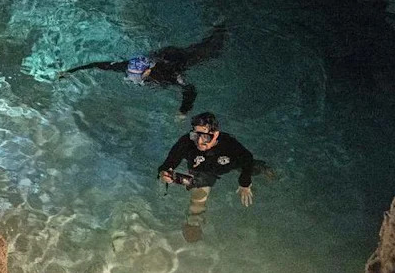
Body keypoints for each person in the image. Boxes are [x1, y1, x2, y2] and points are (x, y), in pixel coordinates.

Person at [57, 24, 226, 115]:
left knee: (211, 51)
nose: (130, 77)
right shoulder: (127, 66)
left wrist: (183, 111)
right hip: (158, 57)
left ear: (147, 72)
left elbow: (190, 90)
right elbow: (99, 64)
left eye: (134, 76)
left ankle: (221, 29)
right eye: (129, 74)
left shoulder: (169, 75)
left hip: (177, 59)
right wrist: (72, 72)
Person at [157, 111, 254, 243]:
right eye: (195, 135)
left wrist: (244, 183)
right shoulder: (186, 142)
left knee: (254, 168)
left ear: (216, 134)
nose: (199, 141)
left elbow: (248, 159)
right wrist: (163, 174)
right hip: (202, 173)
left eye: (205, 137)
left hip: (228, 165)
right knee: (198, 199)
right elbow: (167, 165)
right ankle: (194, 223)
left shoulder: (229, 144)